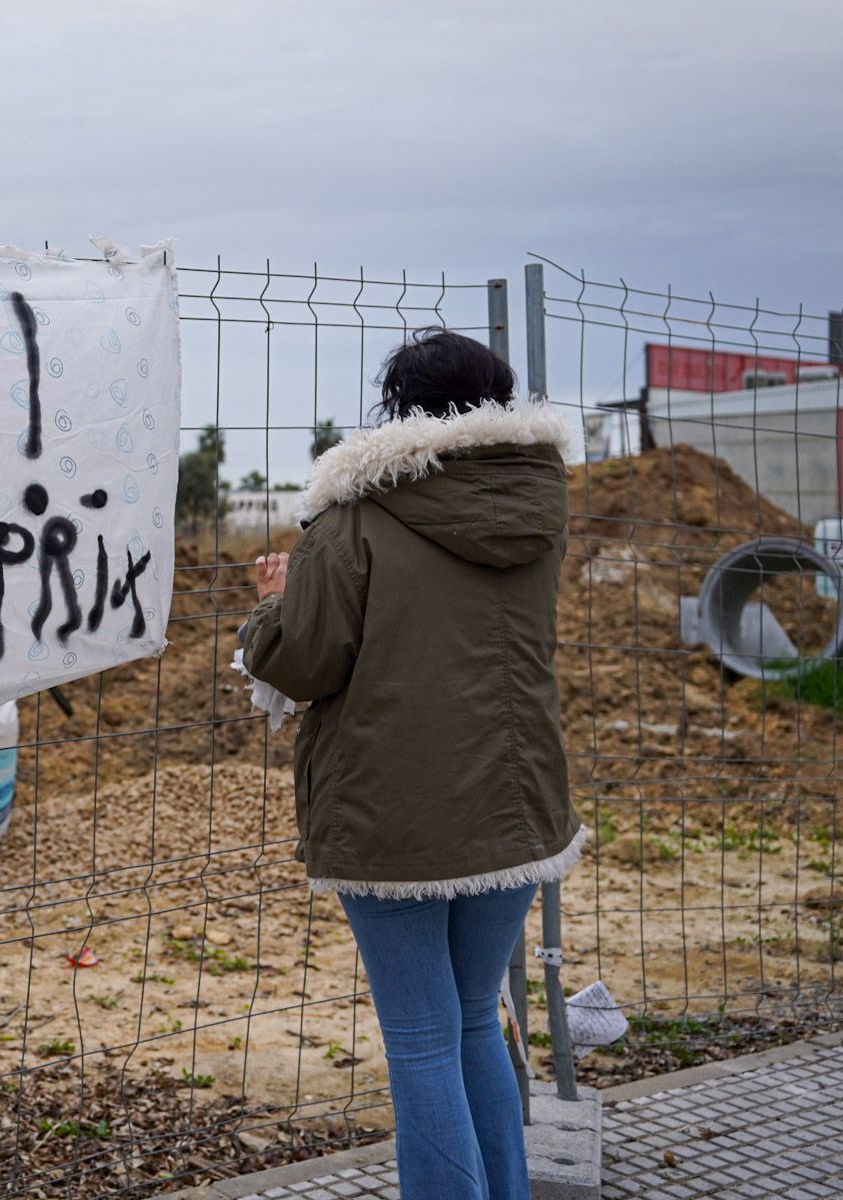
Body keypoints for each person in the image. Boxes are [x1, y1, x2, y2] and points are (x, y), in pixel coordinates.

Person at [238, 327, 586, 1200]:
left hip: (396, 815)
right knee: (474, 1020)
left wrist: (271, 607)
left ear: (400, 413)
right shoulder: (539, 506)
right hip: (518, 806)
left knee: (423, 1039)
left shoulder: (354, 513)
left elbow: (303, 662)